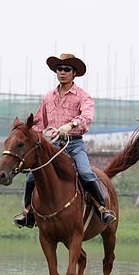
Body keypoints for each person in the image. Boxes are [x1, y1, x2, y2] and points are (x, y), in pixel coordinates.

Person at [14, 53, 117, 228]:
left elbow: (87, 116)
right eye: (59, 69)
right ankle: (27, 214)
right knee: (32, 176)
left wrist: (70, 125)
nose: (62, 72)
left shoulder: (83, 96)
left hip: (74, 144)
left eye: (66, 69)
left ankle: (102, 209)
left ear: (74, 73)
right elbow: (39, 122)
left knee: (85, 172)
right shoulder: (48, 97)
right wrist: (25, 131)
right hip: (52, 145)